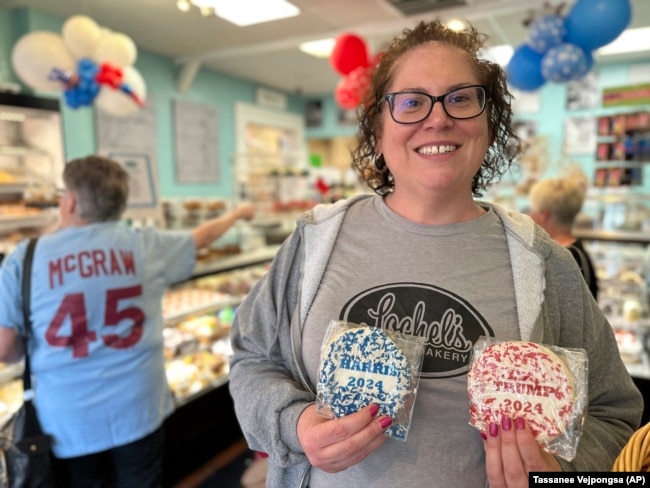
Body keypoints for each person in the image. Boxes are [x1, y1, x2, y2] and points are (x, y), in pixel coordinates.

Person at [228, 20, 642, 488]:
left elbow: (615, 413)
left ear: (490, 125)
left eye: (461, 98)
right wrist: (294, 424)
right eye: (410, 102)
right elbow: (252, 359)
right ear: (378, 131)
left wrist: (561, 475)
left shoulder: (544, 263)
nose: (438, 118)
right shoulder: (314, 241)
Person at [0, 154, 255, 487]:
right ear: (119, 206)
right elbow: (202, 237)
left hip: (67, 418)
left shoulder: (26, 257)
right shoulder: (144, 244)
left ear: (72, 201)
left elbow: (5, 348)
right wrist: (237, 214)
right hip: (139, 405)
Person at [528, 176, 599, 300]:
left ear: (543, 215)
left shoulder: (560, 260)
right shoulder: (578, 254)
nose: (530, 215)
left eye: (533, 210)